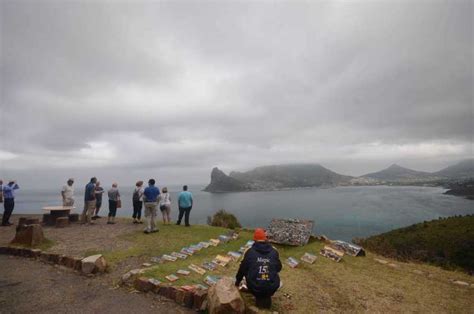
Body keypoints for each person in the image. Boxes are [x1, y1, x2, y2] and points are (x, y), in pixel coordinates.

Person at [235, 228, 282, 309]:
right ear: (266, 238)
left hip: (254, 286)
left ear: (254, 239)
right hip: (272, 287)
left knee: (247, 270)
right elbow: (279, 268)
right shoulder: (274, 251)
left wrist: (237, 282)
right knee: (279, 281)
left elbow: (242, 269)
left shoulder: (249, 251)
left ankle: (258, 296)